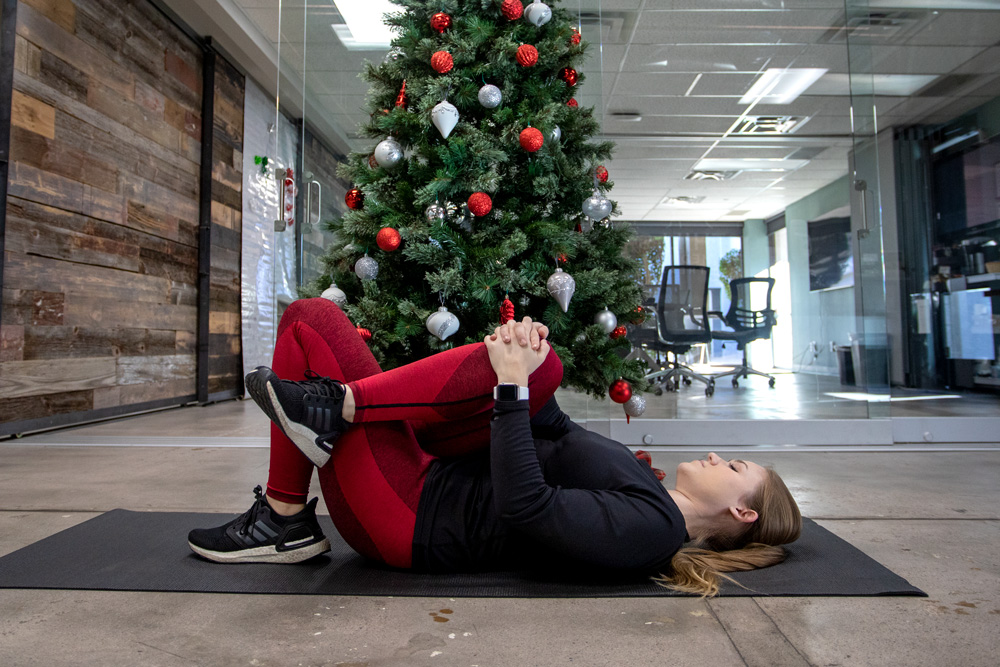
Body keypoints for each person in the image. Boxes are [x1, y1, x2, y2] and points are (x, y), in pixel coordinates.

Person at [188, 298, 801, 596]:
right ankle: (294, 501)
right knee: (549, 364)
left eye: (736, 467)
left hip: (408, 517)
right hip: (428, 475)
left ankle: (325, 439)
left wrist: (511, 383)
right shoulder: (651, 496)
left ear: (742, 513)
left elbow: (526, 505)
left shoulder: (651, 531)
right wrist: (528, 355)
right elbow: (554, 432)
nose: (720, 457)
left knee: (310, 322)